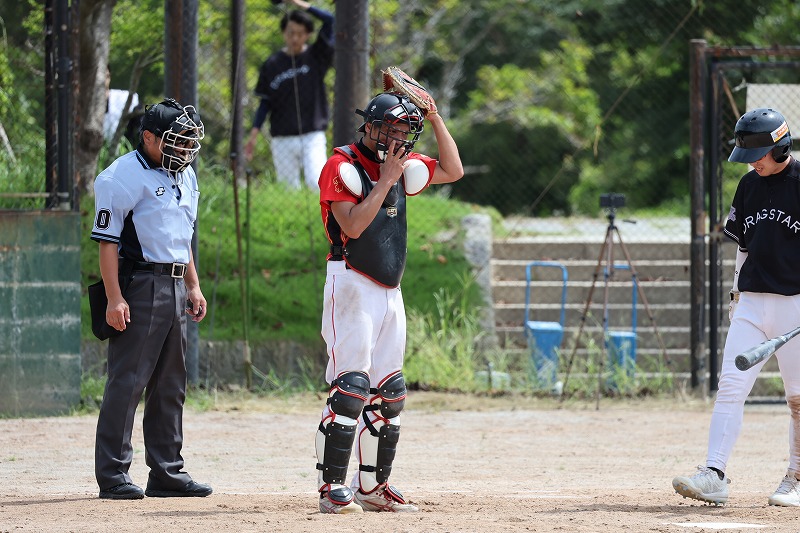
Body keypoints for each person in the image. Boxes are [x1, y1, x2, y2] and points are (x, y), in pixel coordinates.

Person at [313, 91, 464, 514]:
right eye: (392, 130)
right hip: (351, 284)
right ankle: (331, 489)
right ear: (371, 128)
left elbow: (454, 170)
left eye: (405, 132)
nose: (398, 139)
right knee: (350, 389)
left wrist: (434, 117)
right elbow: (354, 226)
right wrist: (385, 180)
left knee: (390, 393)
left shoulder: (399, 165)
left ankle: (372, 487)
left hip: (389, 289)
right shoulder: (341, 166)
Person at [672, 107, 800, 506]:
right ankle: (714, 473)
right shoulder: (748, 185)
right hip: (752, 303)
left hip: (795, 304)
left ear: (781, 149)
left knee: (798, 397)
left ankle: (796, 476)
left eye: (758, 155)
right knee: (730, 386)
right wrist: (735, 292)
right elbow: (744, 246)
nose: (753, 163)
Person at [90, 98, 212, 500]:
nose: (185, 149)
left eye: (189, 141)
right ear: (148, 137)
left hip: (175, 284)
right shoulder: (120, 177)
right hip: (140, 285)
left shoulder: (185, 174)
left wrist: (193, 285)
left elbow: (182, 235)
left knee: (170, 384)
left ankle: (166, 472)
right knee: (128, 381)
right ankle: (113, 474)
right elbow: (107, 243)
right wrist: (114, 298)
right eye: (176, 140)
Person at [244, 0, 334, 190]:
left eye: (300, 34)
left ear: (308, 34)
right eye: (290, 33)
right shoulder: (272, 64)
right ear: (283, 33)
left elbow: (331, 20)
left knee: (317, 182)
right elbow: (265, 103)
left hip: (312, 135)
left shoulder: (316, 55)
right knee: (287, 188)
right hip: (282, 136)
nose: (295, 38)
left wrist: (297, 3)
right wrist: (253, 135)